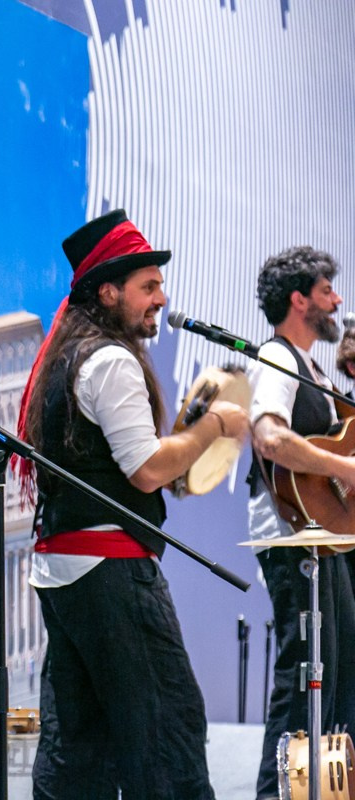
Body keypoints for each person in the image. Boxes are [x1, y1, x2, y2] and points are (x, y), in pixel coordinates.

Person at [14, 209, 248, 799]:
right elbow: (145, 469)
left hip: (66, 573)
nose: (161, 299)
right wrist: (213, 426)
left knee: (79, 750)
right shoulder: (111, 360)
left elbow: (116, 464)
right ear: (108, 290)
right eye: (149, 286)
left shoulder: (65, 361)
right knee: (166, 733)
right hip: (112, 573)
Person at [246, 246, 355, 799]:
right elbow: (269, 436)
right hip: (292, 538)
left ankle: (327, 791)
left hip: (323, 539)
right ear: (299, 300)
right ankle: (274, 794)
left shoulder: (311, 367)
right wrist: (343, 468)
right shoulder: (279, 358)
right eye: (327, 291)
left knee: (335, 673)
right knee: (302, 676)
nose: (338, 301)